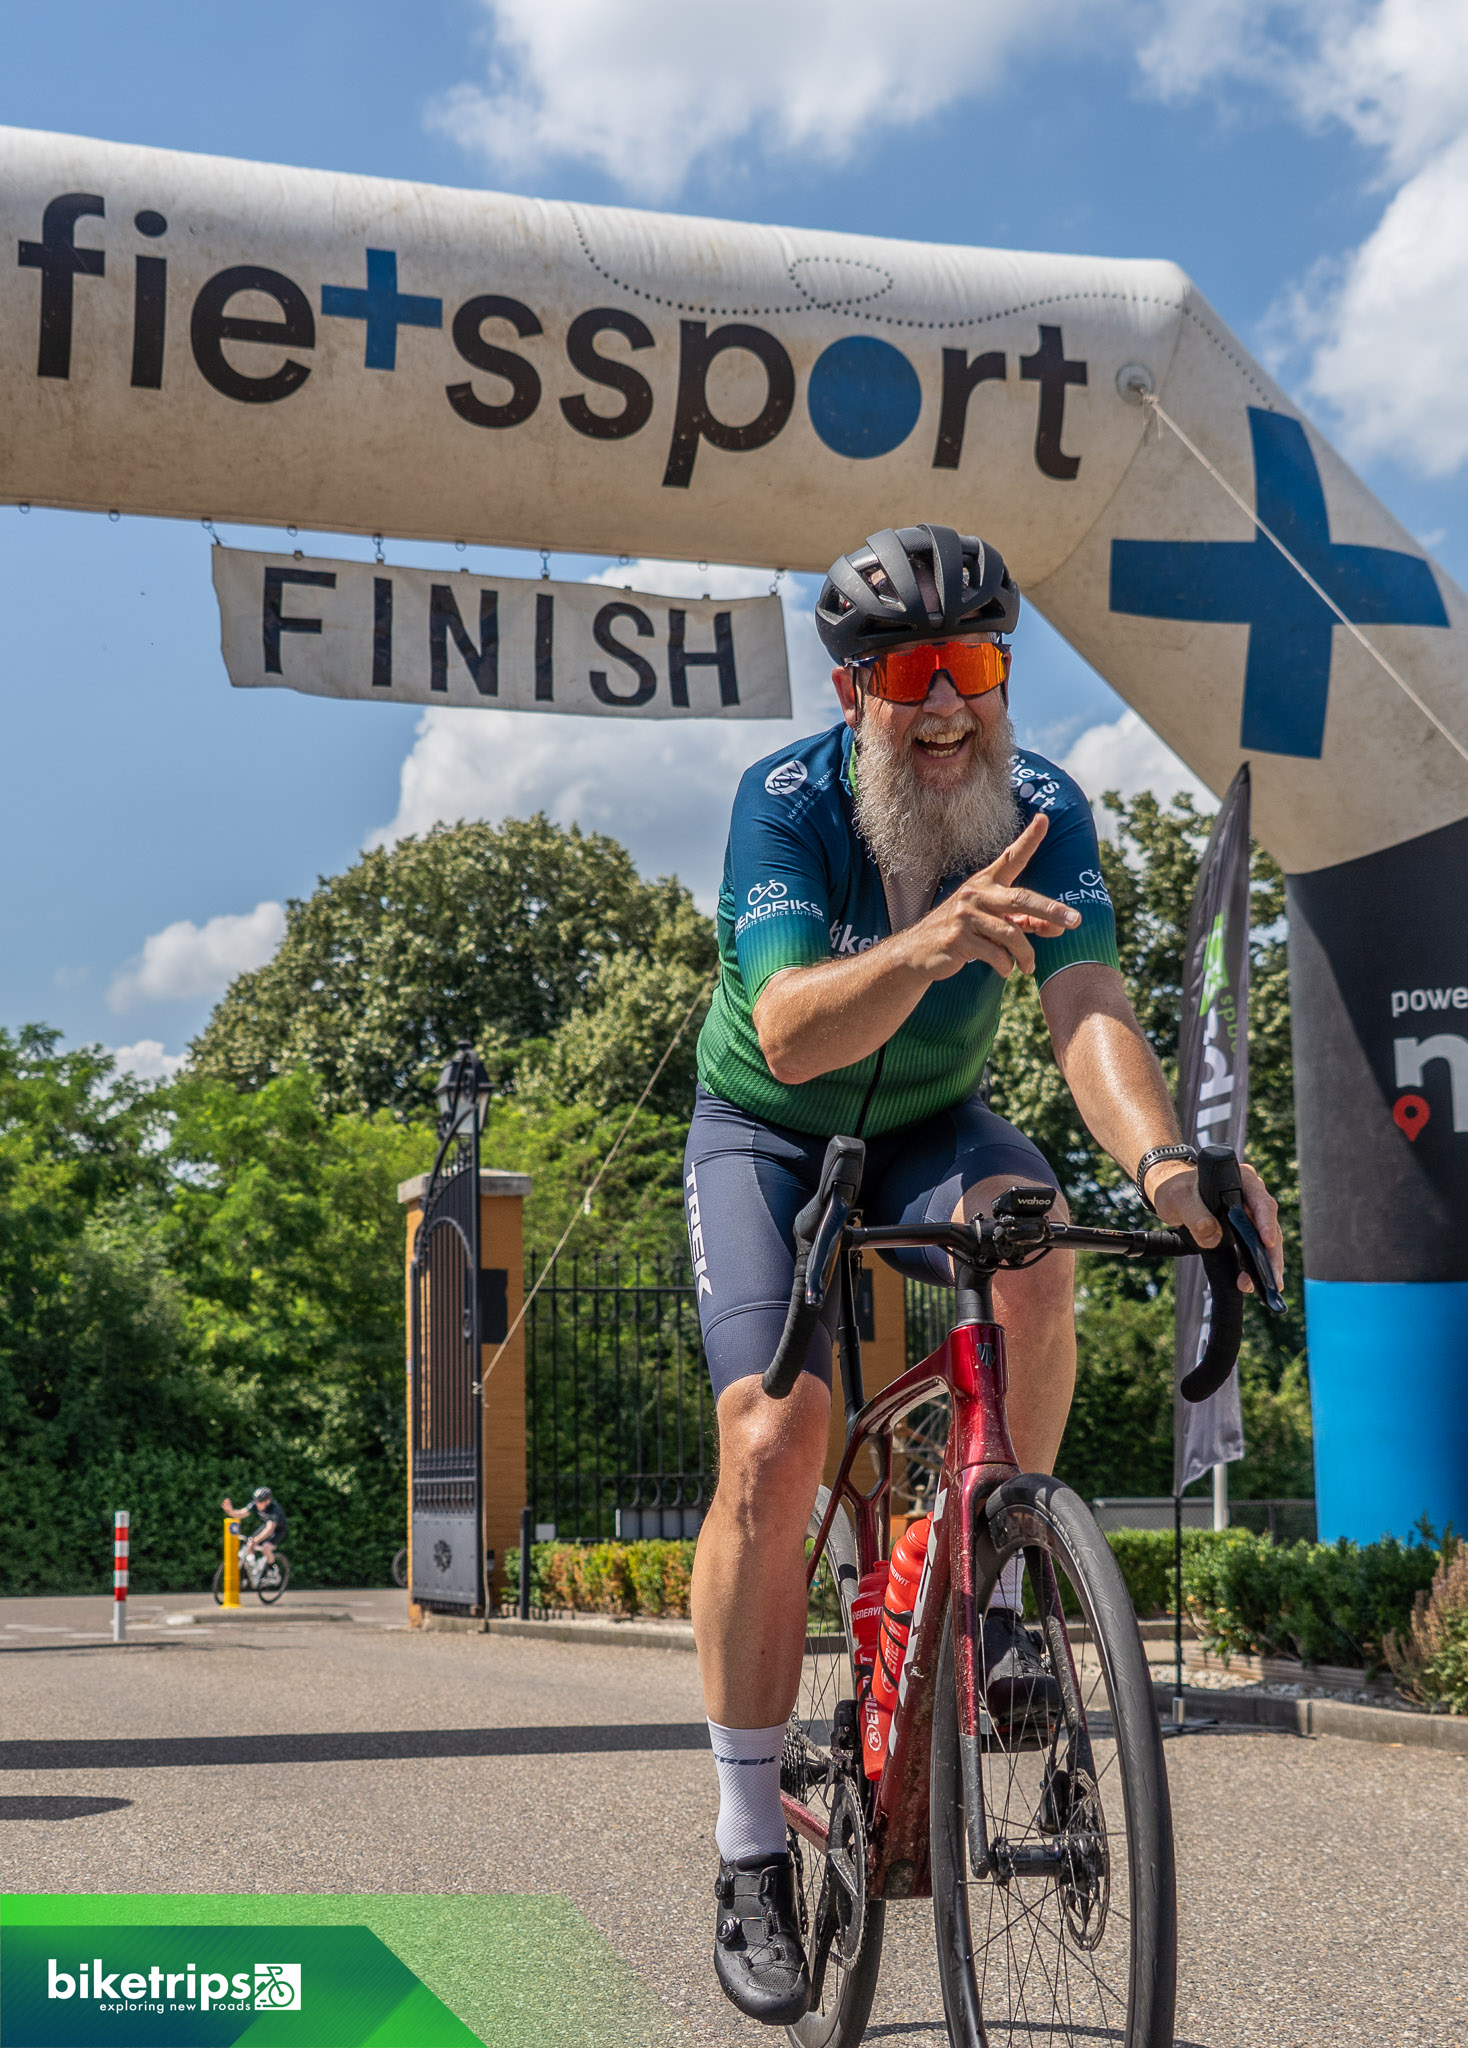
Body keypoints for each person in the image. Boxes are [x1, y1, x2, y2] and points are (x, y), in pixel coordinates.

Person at [685, 524, 1283, 2025]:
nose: (947, 702)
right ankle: (749, 1843)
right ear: (853, 690)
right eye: (910, 674)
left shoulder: (1045, 808)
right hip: (767, 1134)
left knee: (1035, 1237)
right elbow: (789, 1037)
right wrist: (932, 944)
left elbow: (1088, 1005)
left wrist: (1167, 1169)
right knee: (772, 1438)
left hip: (931, 1125)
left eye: (972, 664)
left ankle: (995, 1589)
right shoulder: (786, 804)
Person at [222, 1486, 287, 1573]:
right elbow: (241, 1514)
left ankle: (273, 1570)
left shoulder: (274, 1510)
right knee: (249, 1544)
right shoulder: (255, 1504)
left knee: (266, 1548)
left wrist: (257, 1539)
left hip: (278, 1530)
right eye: (256, 1501)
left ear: (267, 1501)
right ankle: (253, 1570)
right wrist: (230, 1511)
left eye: (260, 1501)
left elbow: (270, 1529)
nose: (257, 1504)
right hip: (266, 1526)